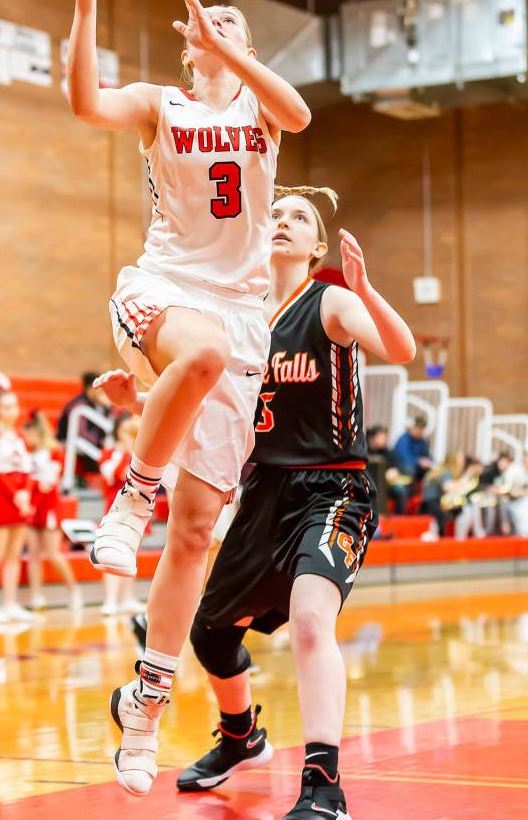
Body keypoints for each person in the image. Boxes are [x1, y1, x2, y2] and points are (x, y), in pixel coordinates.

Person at [39, 0, 311, 796]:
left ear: (241, 48)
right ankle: (127, 500)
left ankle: (146, 708)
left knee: (196, 531)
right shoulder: (165, 104)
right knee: (193, 352)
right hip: (162, 283)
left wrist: (230, 43)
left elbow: (300, 115)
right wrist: (84, 3)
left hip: (238, 316)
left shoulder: (262, 110)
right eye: (206, 23)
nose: (217, 25)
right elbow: (84, 104)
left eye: (232, 24)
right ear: (186, 45)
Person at [97, 185, 416, 819]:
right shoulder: (234, 318)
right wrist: (136, 401)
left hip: (333, 486)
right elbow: (206, 407)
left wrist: (364, 288)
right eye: (275, 214)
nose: (283, 223)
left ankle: (324, 787)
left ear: (315, 245)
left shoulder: (330, 301)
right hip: (262, 490)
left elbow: (401, 349)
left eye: (299, 218)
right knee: (209, 632)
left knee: (309, 619)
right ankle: (242, 737)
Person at [0, 391, 34, 624]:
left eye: (15, 406)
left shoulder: (20, 437)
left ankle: (10, 604)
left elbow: (28, 471)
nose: (13, 411)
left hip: (20, 499)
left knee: (14, 554)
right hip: (1, 498)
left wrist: (26, 495)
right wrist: (16, 496)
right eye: (7, 407)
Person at [24, 411, 80, 612]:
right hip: (31, 505)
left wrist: (31, 482)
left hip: (48, 505)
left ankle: (73, 591)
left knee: (53, 552)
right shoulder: (28, 452)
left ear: (35, 432)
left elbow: (48, 482)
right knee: (33, 554)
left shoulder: (54, 451)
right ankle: (36, 596)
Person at [98, 416, 147, 616]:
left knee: (130, 552)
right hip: (115, 507)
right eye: (127, 429)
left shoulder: (141, 452)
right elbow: (114, 475)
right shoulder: (109, 453)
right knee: (111, 552)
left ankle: (127, 598)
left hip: (137, 508)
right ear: (118, 430)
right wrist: (127, 451)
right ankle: (110, 600)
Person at [56, 371, 112, 481]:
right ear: (92, 389)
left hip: (89, 442)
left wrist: (108, 408)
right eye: (100, 388)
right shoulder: (78, 404)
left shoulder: (100, 405)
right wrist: (100, 444)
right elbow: (81, 432)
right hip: (68, 440)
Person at [365, 424, 411, 515]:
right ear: (372, 438)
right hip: (366, 485)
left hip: (386, 485)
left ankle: (398, 520)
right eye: (382, 437)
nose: (385, 439)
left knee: (402, 491)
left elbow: (397, 465)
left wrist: (395, 470)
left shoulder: (388, 452)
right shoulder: (363, 450)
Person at [393, 415, 433, 482]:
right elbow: (404, 458)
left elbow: (427, 455)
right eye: (418, 428)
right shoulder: (403, 439)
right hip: (402, 466)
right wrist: (419, 461)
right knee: (409, 469)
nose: (419, 431)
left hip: (418, 467)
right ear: (412, 428)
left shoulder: (423, 441)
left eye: (421, 429)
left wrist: (430, 461)